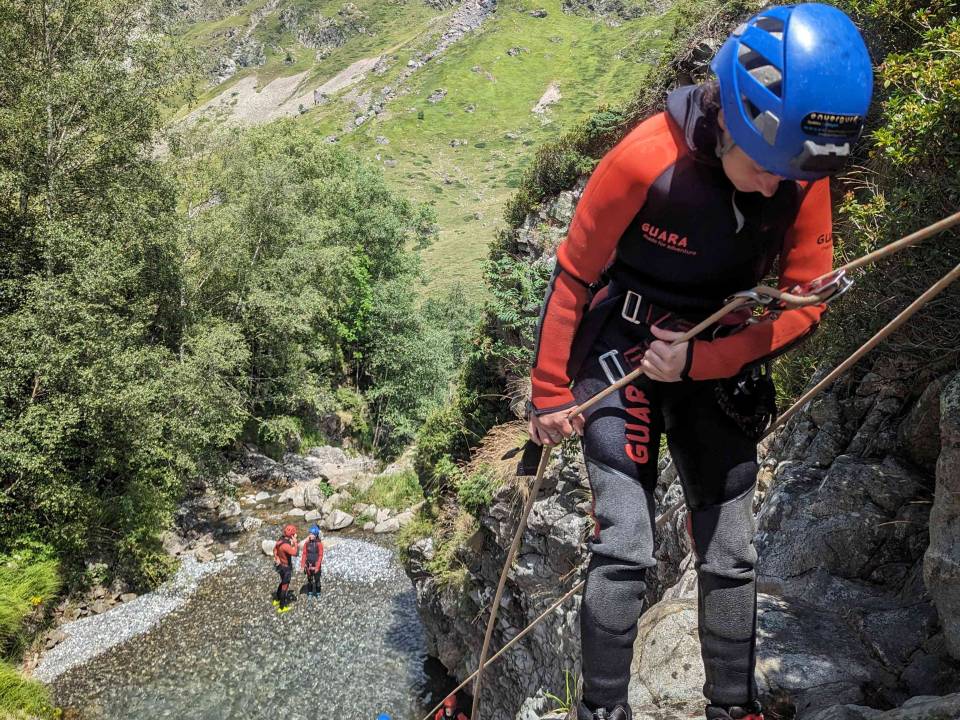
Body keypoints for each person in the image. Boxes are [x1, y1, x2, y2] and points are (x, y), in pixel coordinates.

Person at [525, 5, 872, 720]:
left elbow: (806, 305)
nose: (778, 188)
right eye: (767, 169)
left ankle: (732, 708)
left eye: (793, 175)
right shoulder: (645, 160)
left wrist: (702, 362)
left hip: (712, 360)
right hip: (621, 349)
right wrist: (550, 391)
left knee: (733, 552)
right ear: (735, 122)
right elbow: (574, 276)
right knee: (625, 544)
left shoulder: (800, 171)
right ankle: (602, 712)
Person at [272, 524, 299, 613]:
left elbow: (274, 550)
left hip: (280, 566)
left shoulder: (280, 540)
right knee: (285, 585)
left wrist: (277, 558)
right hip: (286, 568)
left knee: (282, 581)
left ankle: (277, 599)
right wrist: (295, 542)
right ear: (292, 535)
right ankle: (282, 607)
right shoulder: (286, 546)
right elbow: (295, 553)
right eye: (294, 533)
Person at [300, 524, 324, 599]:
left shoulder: (319, 544)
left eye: (312, 534)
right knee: (309, 580)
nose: (310, 535)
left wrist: (317, 566)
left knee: (317, 580)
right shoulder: (306, 544)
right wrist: (302, 565)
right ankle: (310, 593)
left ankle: (318, 593)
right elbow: (304, 554)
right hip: (309, 565)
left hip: (316, 565)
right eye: (310, 534)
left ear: (316, 535)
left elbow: (320, 555)